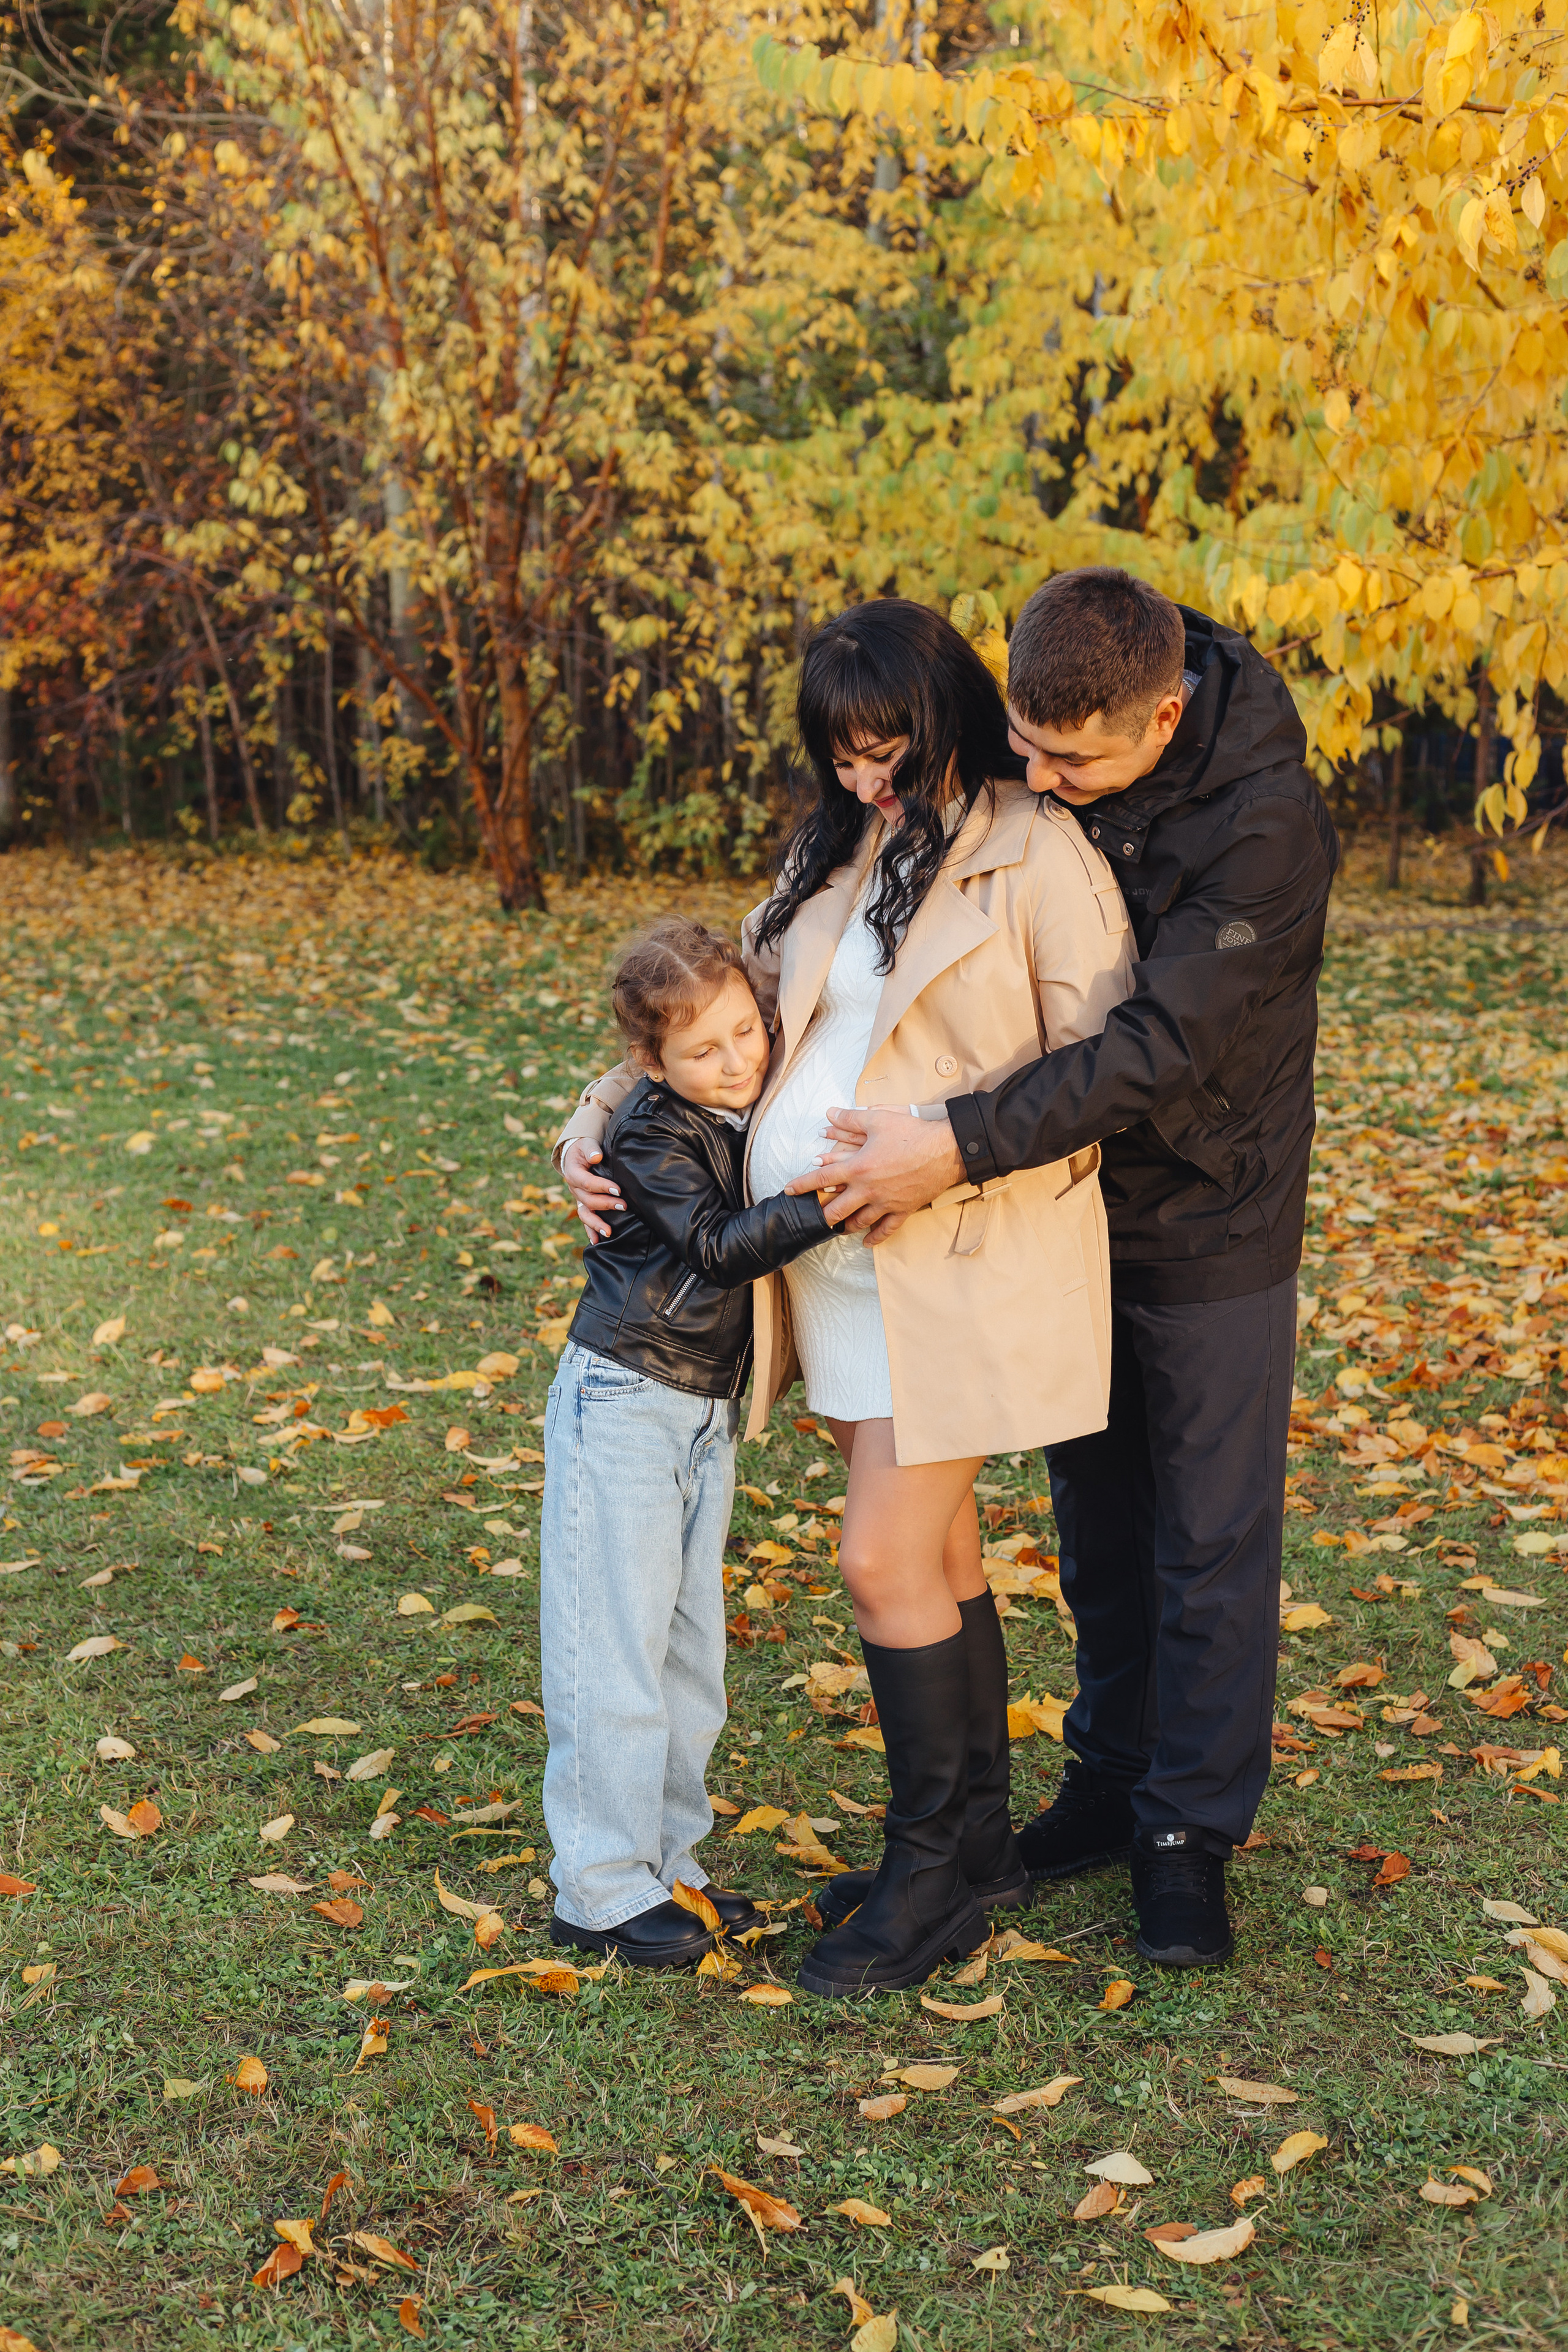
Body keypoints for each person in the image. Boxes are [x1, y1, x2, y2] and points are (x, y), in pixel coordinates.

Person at [556, 598, 1134, 1997]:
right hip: (827, 1287)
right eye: (844, 756)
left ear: (941, 714)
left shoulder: (1037, 853)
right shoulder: (838, 848)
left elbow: (1106, 1067)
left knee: (879, 1562)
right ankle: (976, 1850)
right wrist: (593, 1112)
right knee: (937, 1562)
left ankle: (931, 1883)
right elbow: (714, 1010)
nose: (868, 780)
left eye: (888, 751)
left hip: (955, 1266)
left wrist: (938, 1150)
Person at [785, 566, 1340, 1970]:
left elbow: (1157, 1051)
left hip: (1210, 1202)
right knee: (1095, 1518)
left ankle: (1186, 1834)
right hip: (1059, 1200)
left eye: (1066, 757)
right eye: (1022, 744)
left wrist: (951, 1145)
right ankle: (1104, 1782)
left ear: (1162, 714)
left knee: (1206, 1531)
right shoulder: (1046, 764)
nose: (1035, 776)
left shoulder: (1265, 825)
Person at [541, 919, 834, 1970]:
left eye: (747, 1032)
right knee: (610, 1648)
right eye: (705, 1051)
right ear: (648, 1065)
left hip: (701, 1409)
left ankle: (673, 1865)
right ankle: (599, 1888)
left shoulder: (744, 1097)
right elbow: (713, 1248)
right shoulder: (655, 1134)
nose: (740, 1060)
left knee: (687, 1655)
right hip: (625, 1396)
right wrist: (829, 1201)